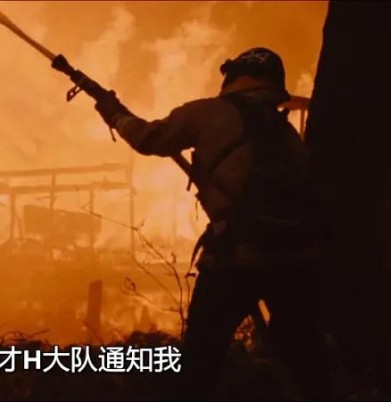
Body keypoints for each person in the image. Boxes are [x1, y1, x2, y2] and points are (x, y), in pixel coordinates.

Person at [93, 47, 334, 400]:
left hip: (234, 258)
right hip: (295, 260)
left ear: (236, 77)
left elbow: (149, 139)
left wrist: (115, 114)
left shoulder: (208, 114)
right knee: (305, 361)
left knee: (200, 361)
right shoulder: (287, 135)